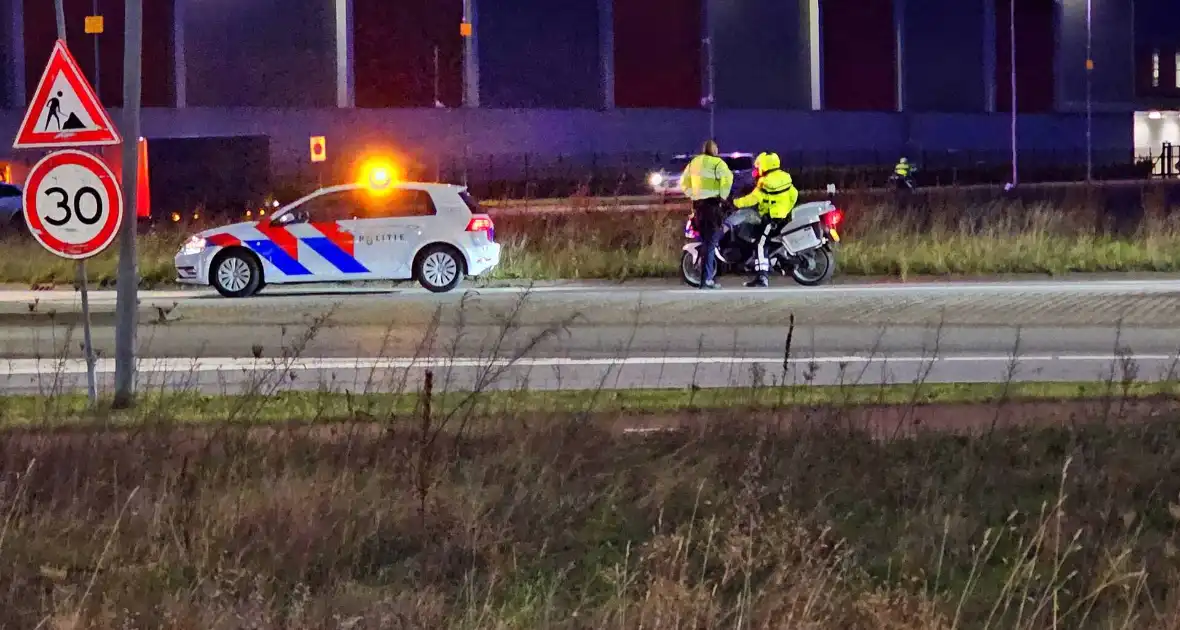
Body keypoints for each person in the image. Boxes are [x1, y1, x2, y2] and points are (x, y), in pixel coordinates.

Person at [728, 152, 798, 287]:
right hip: (783, 217)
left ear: (765, 165)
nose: (757, 169)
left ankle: (762, 277)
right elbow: (793, 195)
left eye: (759, 166)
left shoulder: (764, 182)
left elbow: (753, 198)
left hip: (771, 219)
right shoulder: (785, 177)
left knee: (760, 244)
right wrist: (785, 209)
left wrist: (735, 202)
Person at [678, 139, 733, 289]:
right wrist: (723, 197)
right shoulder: (718, 163)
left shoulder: (694, 163)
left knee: (704, 241)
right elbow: (727, 179)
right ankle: (706, 279)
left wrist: (692, 195)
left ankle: (704, 277)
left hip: (698, 208)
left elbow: (683, 182)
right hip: (712, 207)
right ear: (715, 150)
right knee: (711, 243)